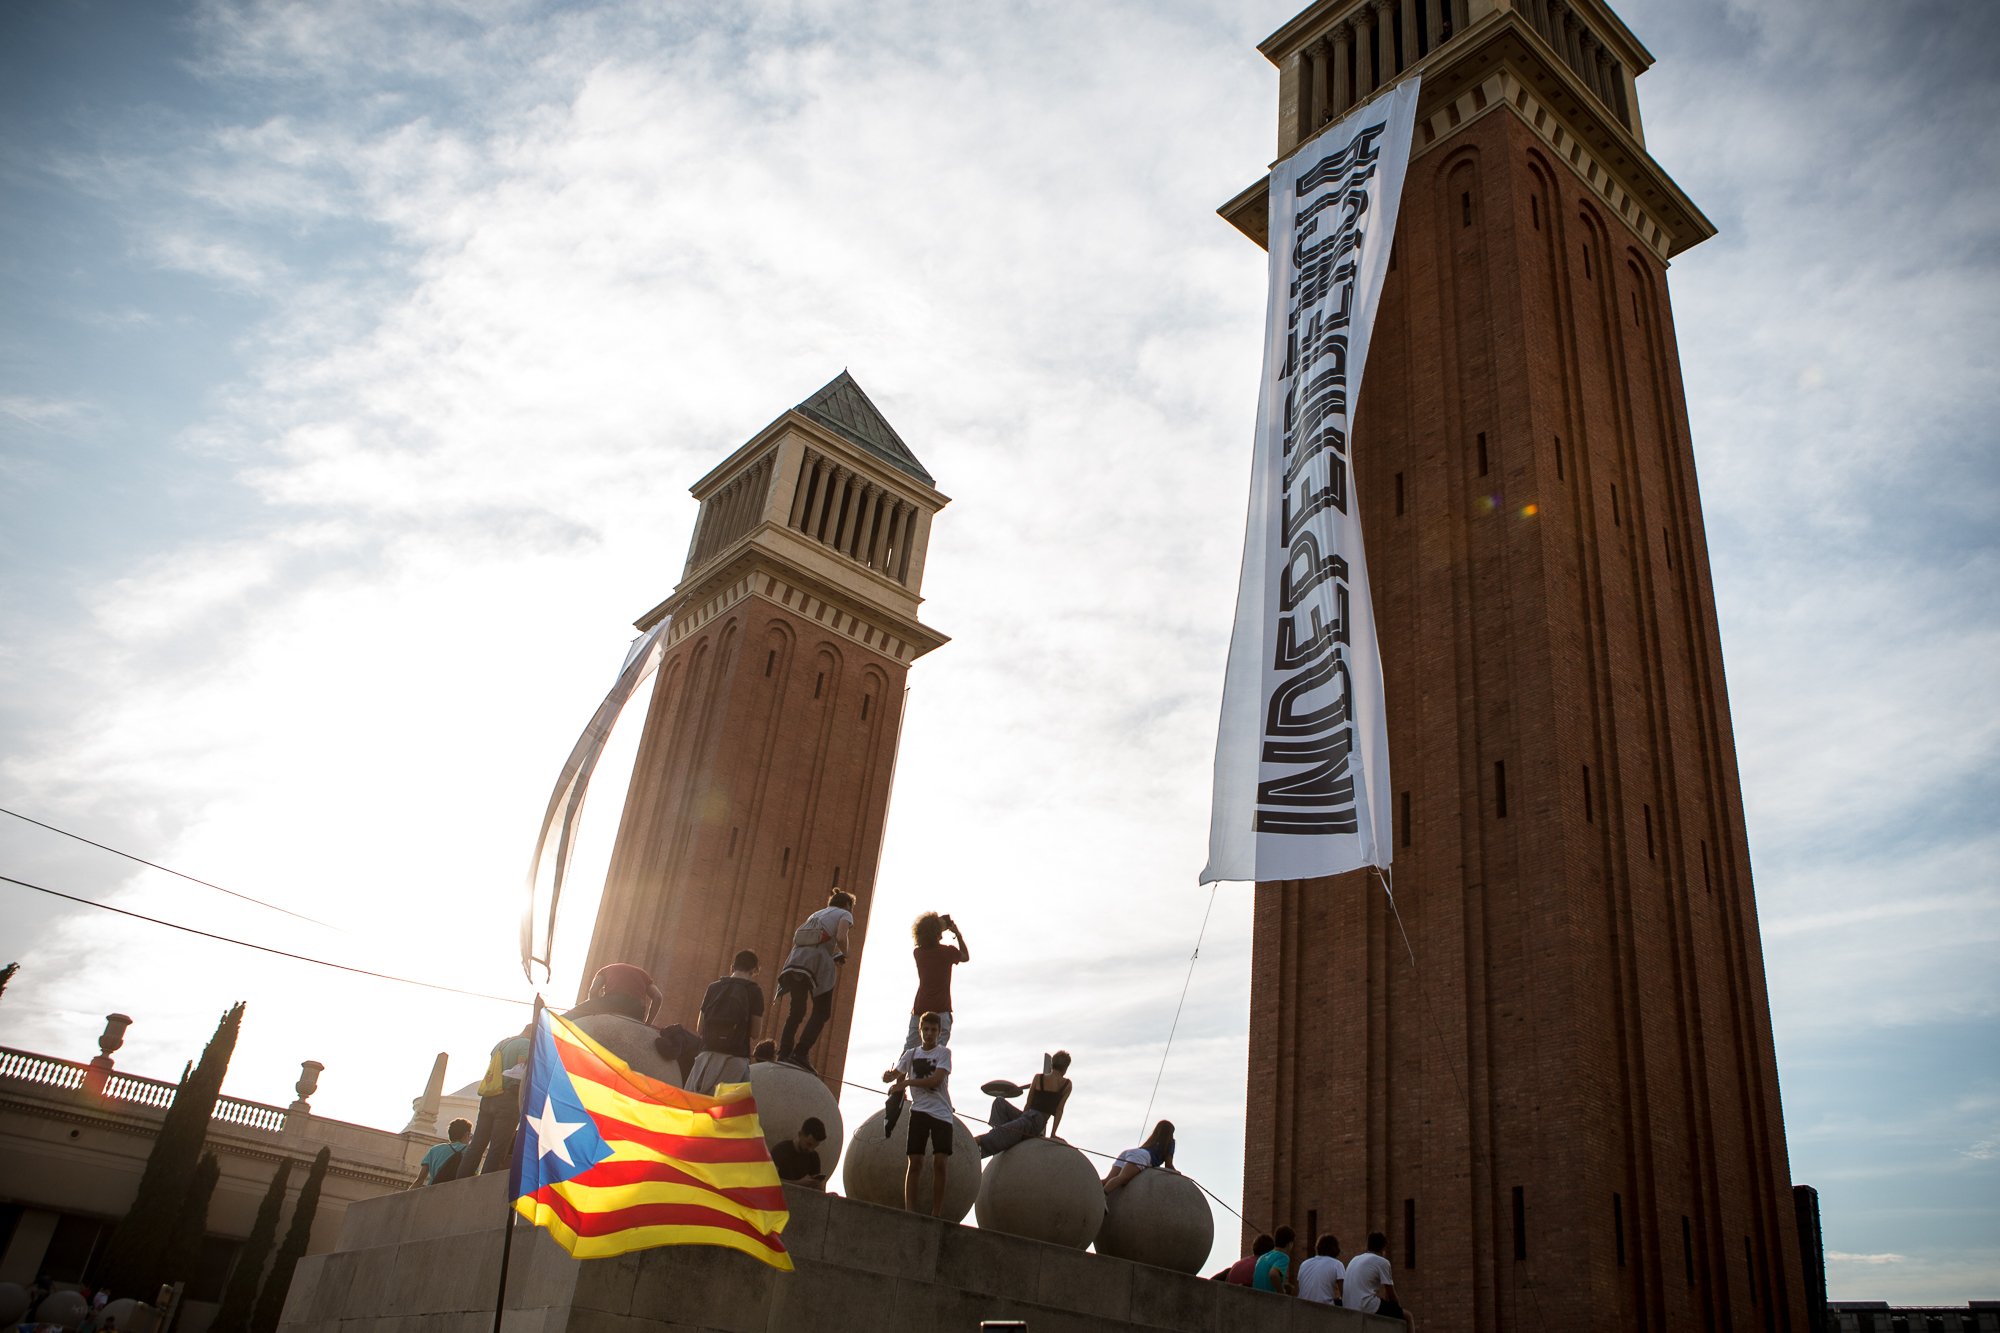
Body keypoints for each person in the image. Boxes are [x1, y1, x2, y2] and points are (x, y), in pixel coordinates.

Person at [775, 890, 855, 1073]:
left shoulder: (817, 914)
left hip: (795, 961)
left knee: (796, 1010)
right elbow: (841, 937)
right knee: (822, 1011)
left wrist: (834, 954)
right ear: (848, 905)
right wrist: (846, 953)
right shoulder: (845, 913)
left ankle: (784, 1052)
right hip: (815, 964)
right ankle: (801, 1052)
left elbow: (816, 938)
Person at [883, 1011, 953, 1215]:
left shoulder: (943, 1053)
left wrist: (905, 1082)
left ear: (939, 1032)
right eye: (926, 1029)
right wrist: (888, 1076)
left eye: (933, 1030)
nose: (929, 1033)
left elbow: (936, 1080)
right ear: (920, 1031)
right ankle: (910, 1211)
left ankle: (936, 1213)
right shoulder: (911, 1054)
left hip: (941, 1112)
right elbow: (894, 1076)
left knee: (940, 1162)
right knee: (915, 1161)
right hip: (919, 1111)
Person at [686, 950, 764, 1094]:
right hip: (735, 1060)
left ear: (732, 966)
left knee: (692, 1107)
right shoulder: (755, 992)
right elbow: (755, 1033)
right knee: (728, 1114)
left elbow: (700, 1028)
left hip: (706, 1057)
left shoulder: (714, 987)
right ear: (754, 970)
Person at [463, 1021, 532, 1175]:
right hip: (508, 1098)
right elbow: (521, 1070)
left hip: (489, 1096)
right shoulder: (526, 1044)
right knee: (498, 1146)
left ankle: (459, 1179)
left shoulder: (502, 1043)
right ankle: (485, 1183)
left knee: (477, 1144)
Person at [977, 1051, 1072, 1157]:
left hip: (1035, 1122)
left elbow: (1028, 1104)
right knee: (999, 1102)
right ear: (1065, 1068)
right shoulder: (1065, 1084)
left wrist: (1051, 1134)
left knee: (1018, 1123)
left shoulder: (1041, 1078)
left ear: (1051, 1064)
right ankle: (1000, 1133)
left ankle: (982, 1140)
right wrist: (1053, 1133)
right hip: (1027, 1117)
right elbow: (1059, 1110)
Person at [906, 911, 969, 1050]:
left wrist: (935, 926)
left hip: (920, 1008)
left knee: (909, 1052)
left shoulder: (918, 953)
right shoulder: (948, 952)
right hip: (941, 1009)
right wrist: (957, 934)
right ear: (937, 933)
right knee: (936, 1053)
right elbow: (965, 957)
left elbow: (929, 939)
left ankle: (898, 1072)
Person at [566, 962, 663, 1022]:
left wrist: (594, 1010)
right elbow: (658, 997)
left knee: (568, 1017)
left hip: (613, 1002)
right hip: (637, 1011)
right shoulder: (643, 974)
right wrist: (648, 1023)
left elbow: (593, 990)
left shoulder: (604, 970)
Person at [1343, 1231, 1405, 1320]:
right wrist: (1399, 1310)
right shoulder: (1382, 1262)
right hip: (1365, 1306)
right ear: (1383, 1248)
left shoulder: (1354, 1259)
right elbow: (1391, 1294)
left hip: (1347, 1306)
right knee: (1408, 1316)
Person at [1102, 1118, 1177, 1192]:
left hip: (1132, 1152)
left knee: (1107, 1180)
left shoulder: (1153, 1138)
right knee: (1123, 1178)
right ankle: (1102, 1196)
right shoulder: (1170, 1142)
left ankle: (1092, 1189)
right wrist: (1177, 1173)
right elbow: (1168, 1165)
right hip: (1142, 1156)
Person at [770, 1116, 828, 1188]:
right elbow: (770, 1181)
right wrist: (799, 1183)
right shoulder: (780, 1150)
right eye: (809, 1144)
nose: (811, 1150)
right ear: (800, 1134)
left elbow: (819, 1188)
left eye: (814, 1147)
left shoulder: (813, 1156)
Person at [412, 1117, 472, 1187]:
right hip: (456, 1191)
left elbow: (420, 1180)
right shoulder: (470, 1152)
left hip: (433, 1191)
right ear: (467, 1134)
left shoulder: (434, 1150)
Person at [1296, 1233, 1346, 1306]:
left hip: (1302, 1306)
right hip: (1324, 1307)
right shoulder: (1337, 1264)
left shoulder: (1304, 1264)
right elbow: (1344, 1294)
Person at [1253, 1225, 1296, 1293]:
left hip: (1256, 1297)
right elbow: (1273, 1274)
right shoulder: (1283, 1257)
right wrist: (1281, 1293)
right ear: (1290, 1244)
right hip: (1269, 1299)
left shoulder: (1262, 1257)